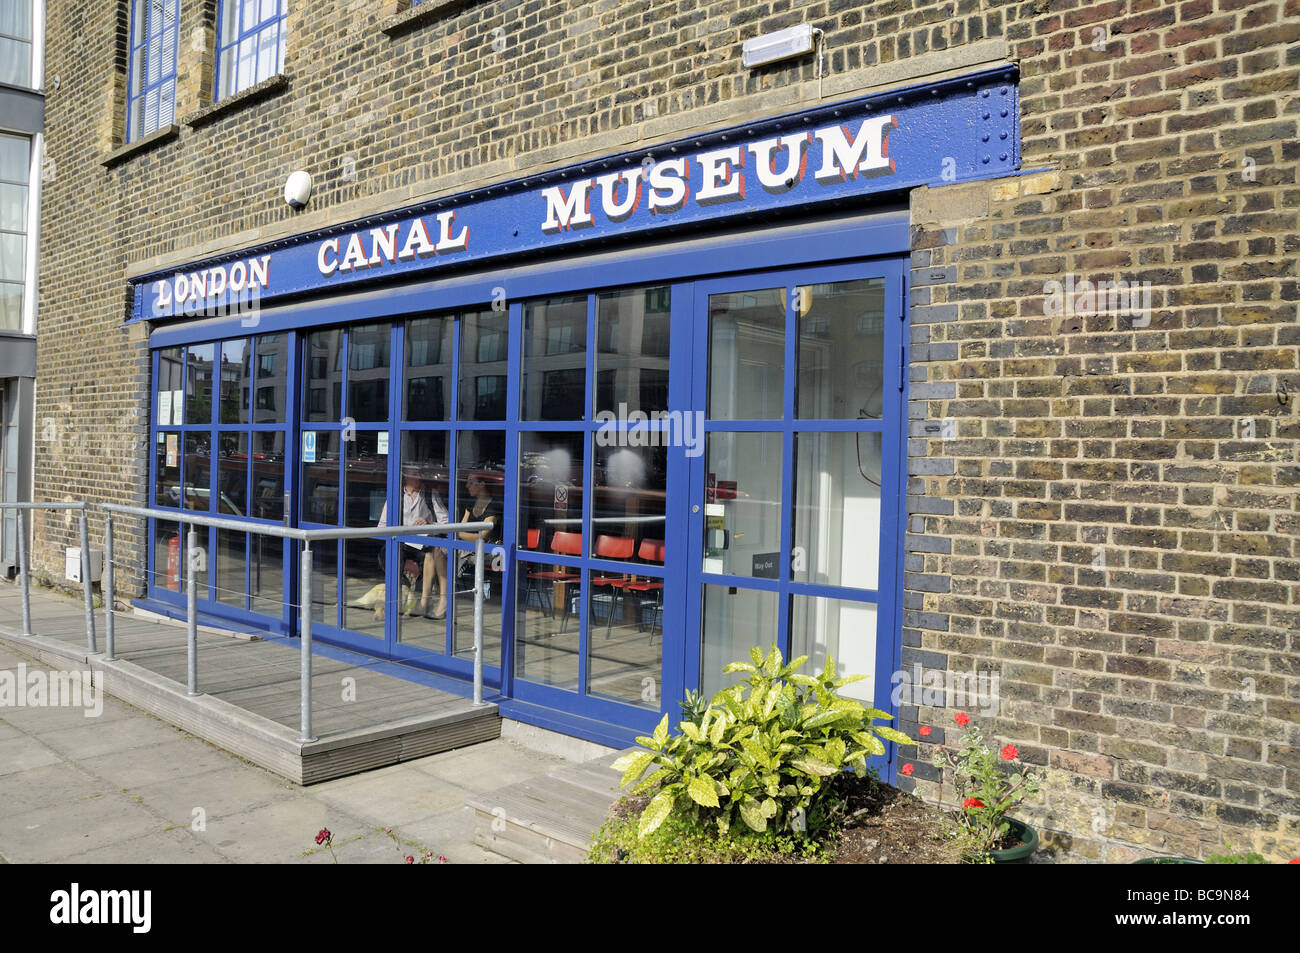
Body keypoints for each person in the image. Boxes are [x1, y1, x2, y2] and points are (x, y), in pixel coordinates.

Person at [378, 467, 449, 619]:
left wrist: (429, 523)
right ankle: (397, 599)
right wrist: (402, 530)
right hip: (401, 541)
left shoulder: (430, 494)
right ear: (406, 477)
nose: (420, 478)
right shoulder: (395, 496)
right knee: (388, 554)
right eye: (415, 474)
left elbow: (446, 522)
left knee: (431, 553)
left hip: (422, 543)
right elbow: (382, 526)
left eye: (420, 474)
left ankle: (424, 602)